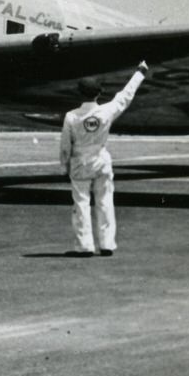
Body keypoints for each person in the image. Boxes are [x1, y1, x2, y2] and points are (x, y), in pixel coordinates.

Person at [59, 60, 149, 257]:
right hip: (101, 159)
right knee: (105, 201)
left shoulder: (71, 116)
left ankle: (84, 246)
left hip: (80, 162)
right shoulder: (107, 111)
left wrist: (64, 166)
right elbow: (125, 96)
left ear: (80, 94)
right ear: (99, 93)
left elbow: (65, 145)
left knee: (81, 203)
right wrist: (140, 72)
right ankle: (107, 244)